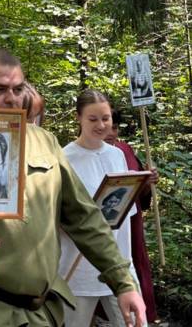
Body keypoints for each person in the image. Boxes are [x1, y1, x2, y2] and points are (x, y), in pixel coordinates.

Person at [0, 48, 145, 327]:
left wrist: (123, 282)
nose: (11, 99)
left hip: (44, 312)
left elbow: (84, 218)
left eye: (18, 89)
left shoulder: (44, 142)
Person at [58, 89, 147, 327]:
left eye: (106, 118)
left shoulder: (117, 155)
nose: (101, 125)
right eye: (93, 119)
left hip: (120, 265)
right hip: (79, 268)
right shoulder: (64, 159)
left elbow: (126, 216)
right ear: (78, 118)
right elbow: (59, 217)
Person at [104, 111, 159, 323]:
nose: (110, 131)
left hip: (129, 218)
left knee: (135, 260)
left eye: (114, 126)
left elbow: (137, 187)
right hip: (101, 224)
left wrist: (147, 180)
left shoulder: (124, 150)